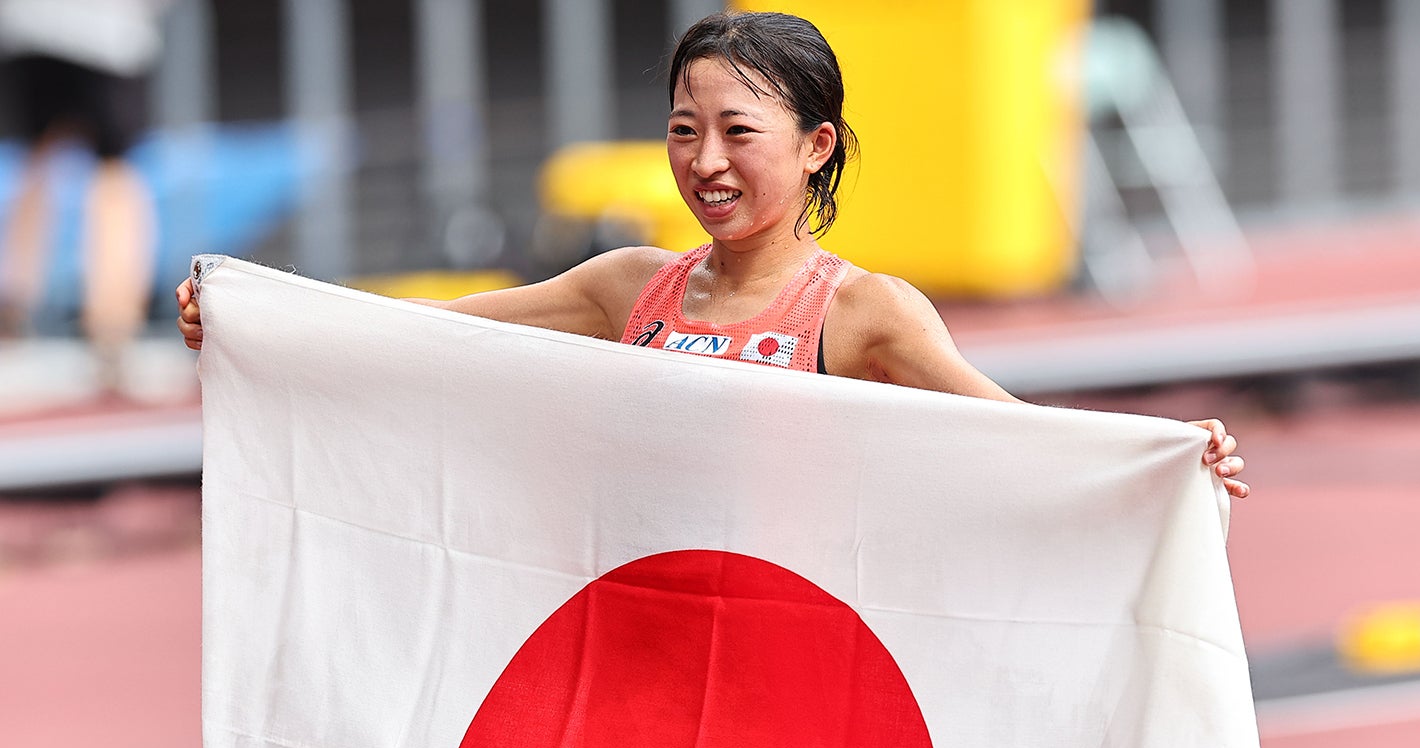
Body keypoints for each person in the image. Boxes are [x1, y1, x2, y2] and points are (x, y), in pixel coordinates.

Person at [177, 10, 1248, 498]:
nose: (706, 162)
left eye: (740, 133)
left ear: (816, 144)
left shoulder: (868, 313)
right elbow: (419, 336)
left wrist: (1161, 458)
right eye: (685, 131)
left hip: (794, 654)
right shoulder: (621, 286)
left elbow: (1020, 441)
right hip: (636, 632)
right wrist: (259, 319)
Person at [1, 0, 169, 391]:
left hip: (32, 26)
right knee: (114, 174)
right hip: (107, 33)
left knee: (38, 166)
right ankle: (113, 333)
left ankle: (11, 316)